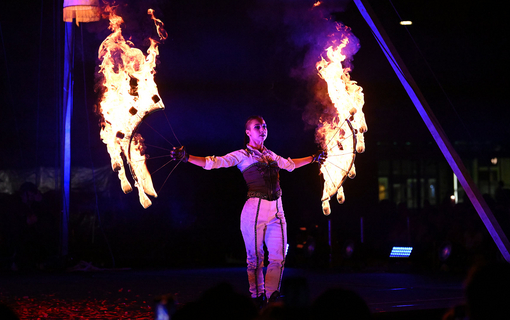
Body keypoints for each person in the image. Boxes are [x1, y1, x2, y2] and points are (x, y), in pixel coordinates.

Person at [170, 115, 326, 308]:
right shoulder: (243, 155)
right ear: (248, 132)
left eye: (265, 126)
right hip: (254, 211)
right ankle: (257, 296)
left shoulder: (272, 155)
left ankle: (271, 297)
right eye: (257, 127)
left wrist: (313, 158)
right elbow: (214, 162)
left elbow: (290, 165)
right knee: (256, 257)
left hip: (277, 211)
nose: (263, 129)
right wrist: (187, 158)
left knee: (278, 256)